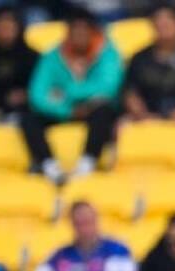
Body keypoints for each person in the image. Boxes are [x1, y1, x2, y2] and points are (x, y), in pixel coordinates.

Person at [20, 6, 123, 183]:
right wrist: (67, 110)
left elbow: (108, 87)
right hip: (63, 110)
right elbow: (37, 94)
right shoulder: (52, 56)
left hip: (93, 108)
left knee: (104, 111)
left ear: (94, 31)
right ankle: (48, 165)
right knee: (29, 118)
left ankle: (88, 161)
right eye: (75, 30)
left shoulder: (107, 53)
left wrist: (66, 92)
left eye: (85, 30)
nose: (79, 35)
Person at [0, 6, 39, 123]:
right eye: (1, 25)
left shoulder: (32, 57)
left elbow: (42, 89)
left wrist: (26, 96)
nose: (5, 28)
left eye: (10, 24)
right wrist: (4, 98)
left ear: (19, 27)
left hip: (23, 113)